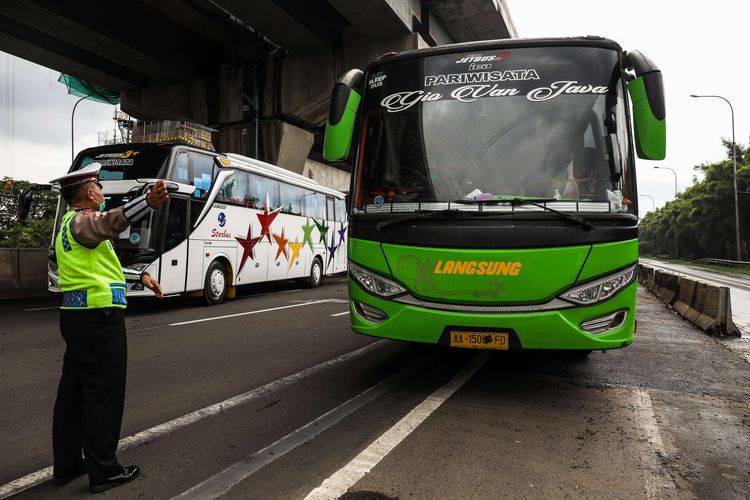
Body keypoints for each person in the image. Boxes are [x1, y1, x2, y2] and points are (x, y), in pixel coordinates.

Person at [49, 163, 169, 493]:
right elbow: (108, 222)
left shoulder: (65, 227)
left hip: (77, 318)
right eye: (99, 188)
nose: (102, 193)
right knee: (104, 394)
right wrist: (146, 201)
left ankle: (68, 464)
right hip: (99, 319)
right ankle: (105, 470)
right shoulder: (84, 221)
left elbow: (99, 270)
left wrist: (140, 276)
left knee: (72, 394)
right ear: (89, 193)